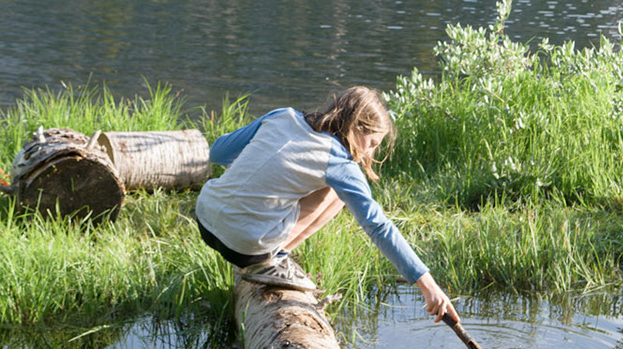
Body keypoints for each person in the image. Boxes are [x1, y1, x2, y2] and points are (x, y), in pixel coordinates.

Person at [194, 85, 460, 324]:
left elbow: (218, 152)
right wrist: (428, 285)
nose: (369, 154)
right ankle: (274, 260)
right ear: (356, 127)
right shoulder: (339, 162)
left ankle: (268, 249)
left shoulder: (281, 115)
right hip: (244, 245)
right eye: (371, 144)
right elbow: (377, 226)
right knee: (335, 191)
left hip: (204, 216)